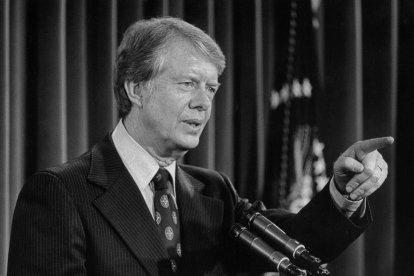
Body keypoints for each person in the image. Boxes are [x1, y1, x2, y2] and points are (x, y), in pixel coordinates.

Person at [7, 17, 393, 276]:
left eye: (211, 89)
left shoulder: (213, 191)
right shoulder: (61, 192)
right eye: (188, 84)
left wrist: (343, 191)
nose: (203, 103)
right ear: (136, 89)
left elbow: (299, 243)